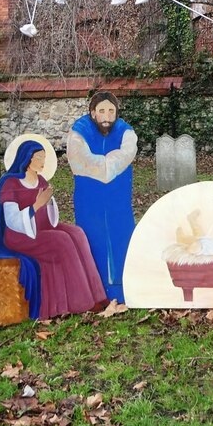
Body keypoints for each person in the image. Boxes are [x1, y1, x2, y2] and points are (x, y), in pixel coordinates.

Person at [0, 137, 107, 319]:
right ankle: (81, 302)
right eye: (38, 157)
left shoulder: (41, 180)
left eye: (44, 157)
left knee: (77, 233)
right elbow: (12, 221)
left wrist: (49, 202)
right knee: (62, 241)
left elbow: (50, 215)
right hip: (20, 236)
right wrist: (37, 204)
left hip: (42, 228)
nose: (42, 161)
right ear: (26, 159)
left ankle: (96, 295)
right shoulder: (10, 184)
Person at [66, 91, 137, 303]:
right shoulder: (79, 132)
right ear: (93, 113)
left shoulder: (126, 132)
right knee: (92, 237)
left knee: (121, 236)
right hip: (90, 196)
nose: (107, 116)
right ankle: (93, 292)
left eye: (111, 111)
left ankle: (126, 288)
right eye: (102, 110)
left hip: (118, 196)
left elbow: (125, 155)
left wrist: (106, 166)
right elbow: (80, 159)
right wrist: (104, 166)